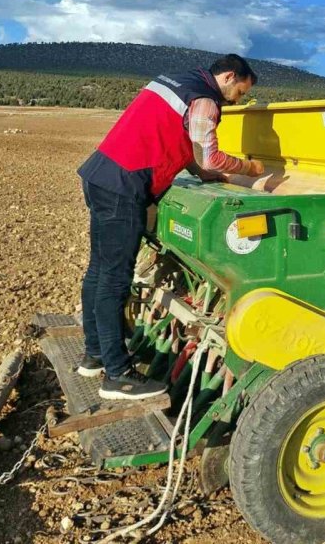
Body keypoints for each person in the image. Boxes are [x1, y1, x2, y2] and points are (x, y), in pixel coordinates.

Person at [76, 54, 265, 400]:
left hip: (101, 175)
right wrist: (249, 168)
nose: (237, 100)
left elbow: (180, 143)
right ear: (228, 76)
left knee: (98, 271)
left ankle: (95, 355)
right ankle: (117, 376)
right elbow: (210, 156)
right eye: (240, 91)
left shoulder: (173, 81)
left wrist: (204, 175)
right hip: (124, 187)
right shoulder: (206, 101)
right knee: (115, 279)